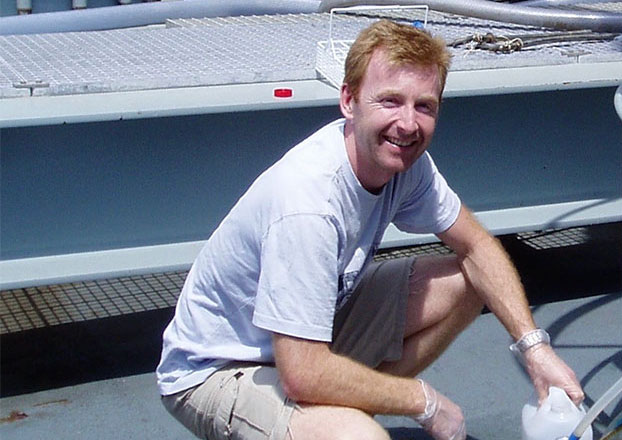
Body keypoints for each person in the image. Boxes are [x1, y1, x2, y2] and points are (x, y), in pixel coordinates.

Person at [157, 19, 584, 440]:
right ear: (349, 100)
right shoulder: (309, 206)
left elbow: (477, 247)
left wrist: (535, 349)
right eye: (390, 101)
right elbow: (302, 372)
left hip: (302, 340)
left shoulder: (408, 164)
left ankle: (336, 412)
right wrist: (423, 401)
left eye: (424, 106)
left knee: (471, 282)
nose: (408, 124)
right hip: (219, 369)